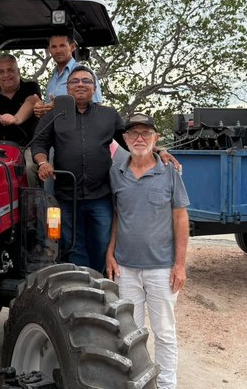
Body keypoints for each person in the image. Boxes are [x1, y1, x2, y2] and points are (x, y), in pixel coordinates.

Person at [105, 114, 190, 389]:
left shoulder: (169, 171)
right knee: (130, 333)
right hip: (126, 268)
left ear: (155, 139)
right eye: (133, 134)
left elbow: (180, 217)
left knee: (164, 332)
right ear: (125, 139)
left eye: (145, 134)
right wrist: (111, 251)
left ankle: (166, 385)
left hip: (162, 268)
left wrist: (180, 264)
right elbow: (118, 215)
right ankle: (136, 383)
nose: (139, 138)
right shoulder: (116, 172)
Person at [31, 65, 125, 272]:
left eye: (86, 81)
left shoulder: (109, 115)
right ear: (67, 88)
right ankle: (81, 288)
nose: (80, 84)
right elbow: (38, 144)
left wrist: (157, 151)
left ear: (94, 88)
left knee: (102, 243)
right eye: (74, 81)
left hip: (101, 195)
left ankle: (102, 287)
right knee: (72, 245)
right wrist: (43, 163)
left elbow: (130, 141)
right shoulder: (54, 115)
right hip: (65, 196)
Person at [0, 54, 42, 185]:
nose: (6, 75)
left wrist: (16, 119)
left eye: (10, 70)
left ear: (18, 71)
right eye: (1, 71)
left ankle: (32, 202)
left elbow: (31, 102)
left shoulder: (30, 87)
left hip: (27, 146)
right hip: (0, 149)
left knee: (28, 167)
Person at [33, 33, 102, 120]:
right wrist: (42, 110)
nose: (58, 51)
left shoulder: (86, 73)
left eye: (62, 46)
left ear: (72, 47)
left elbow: (97, 109)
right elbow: (51, 115)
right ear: (49, 50)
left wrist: (60, 108)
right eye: (54, 47)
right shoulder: (52, 79)